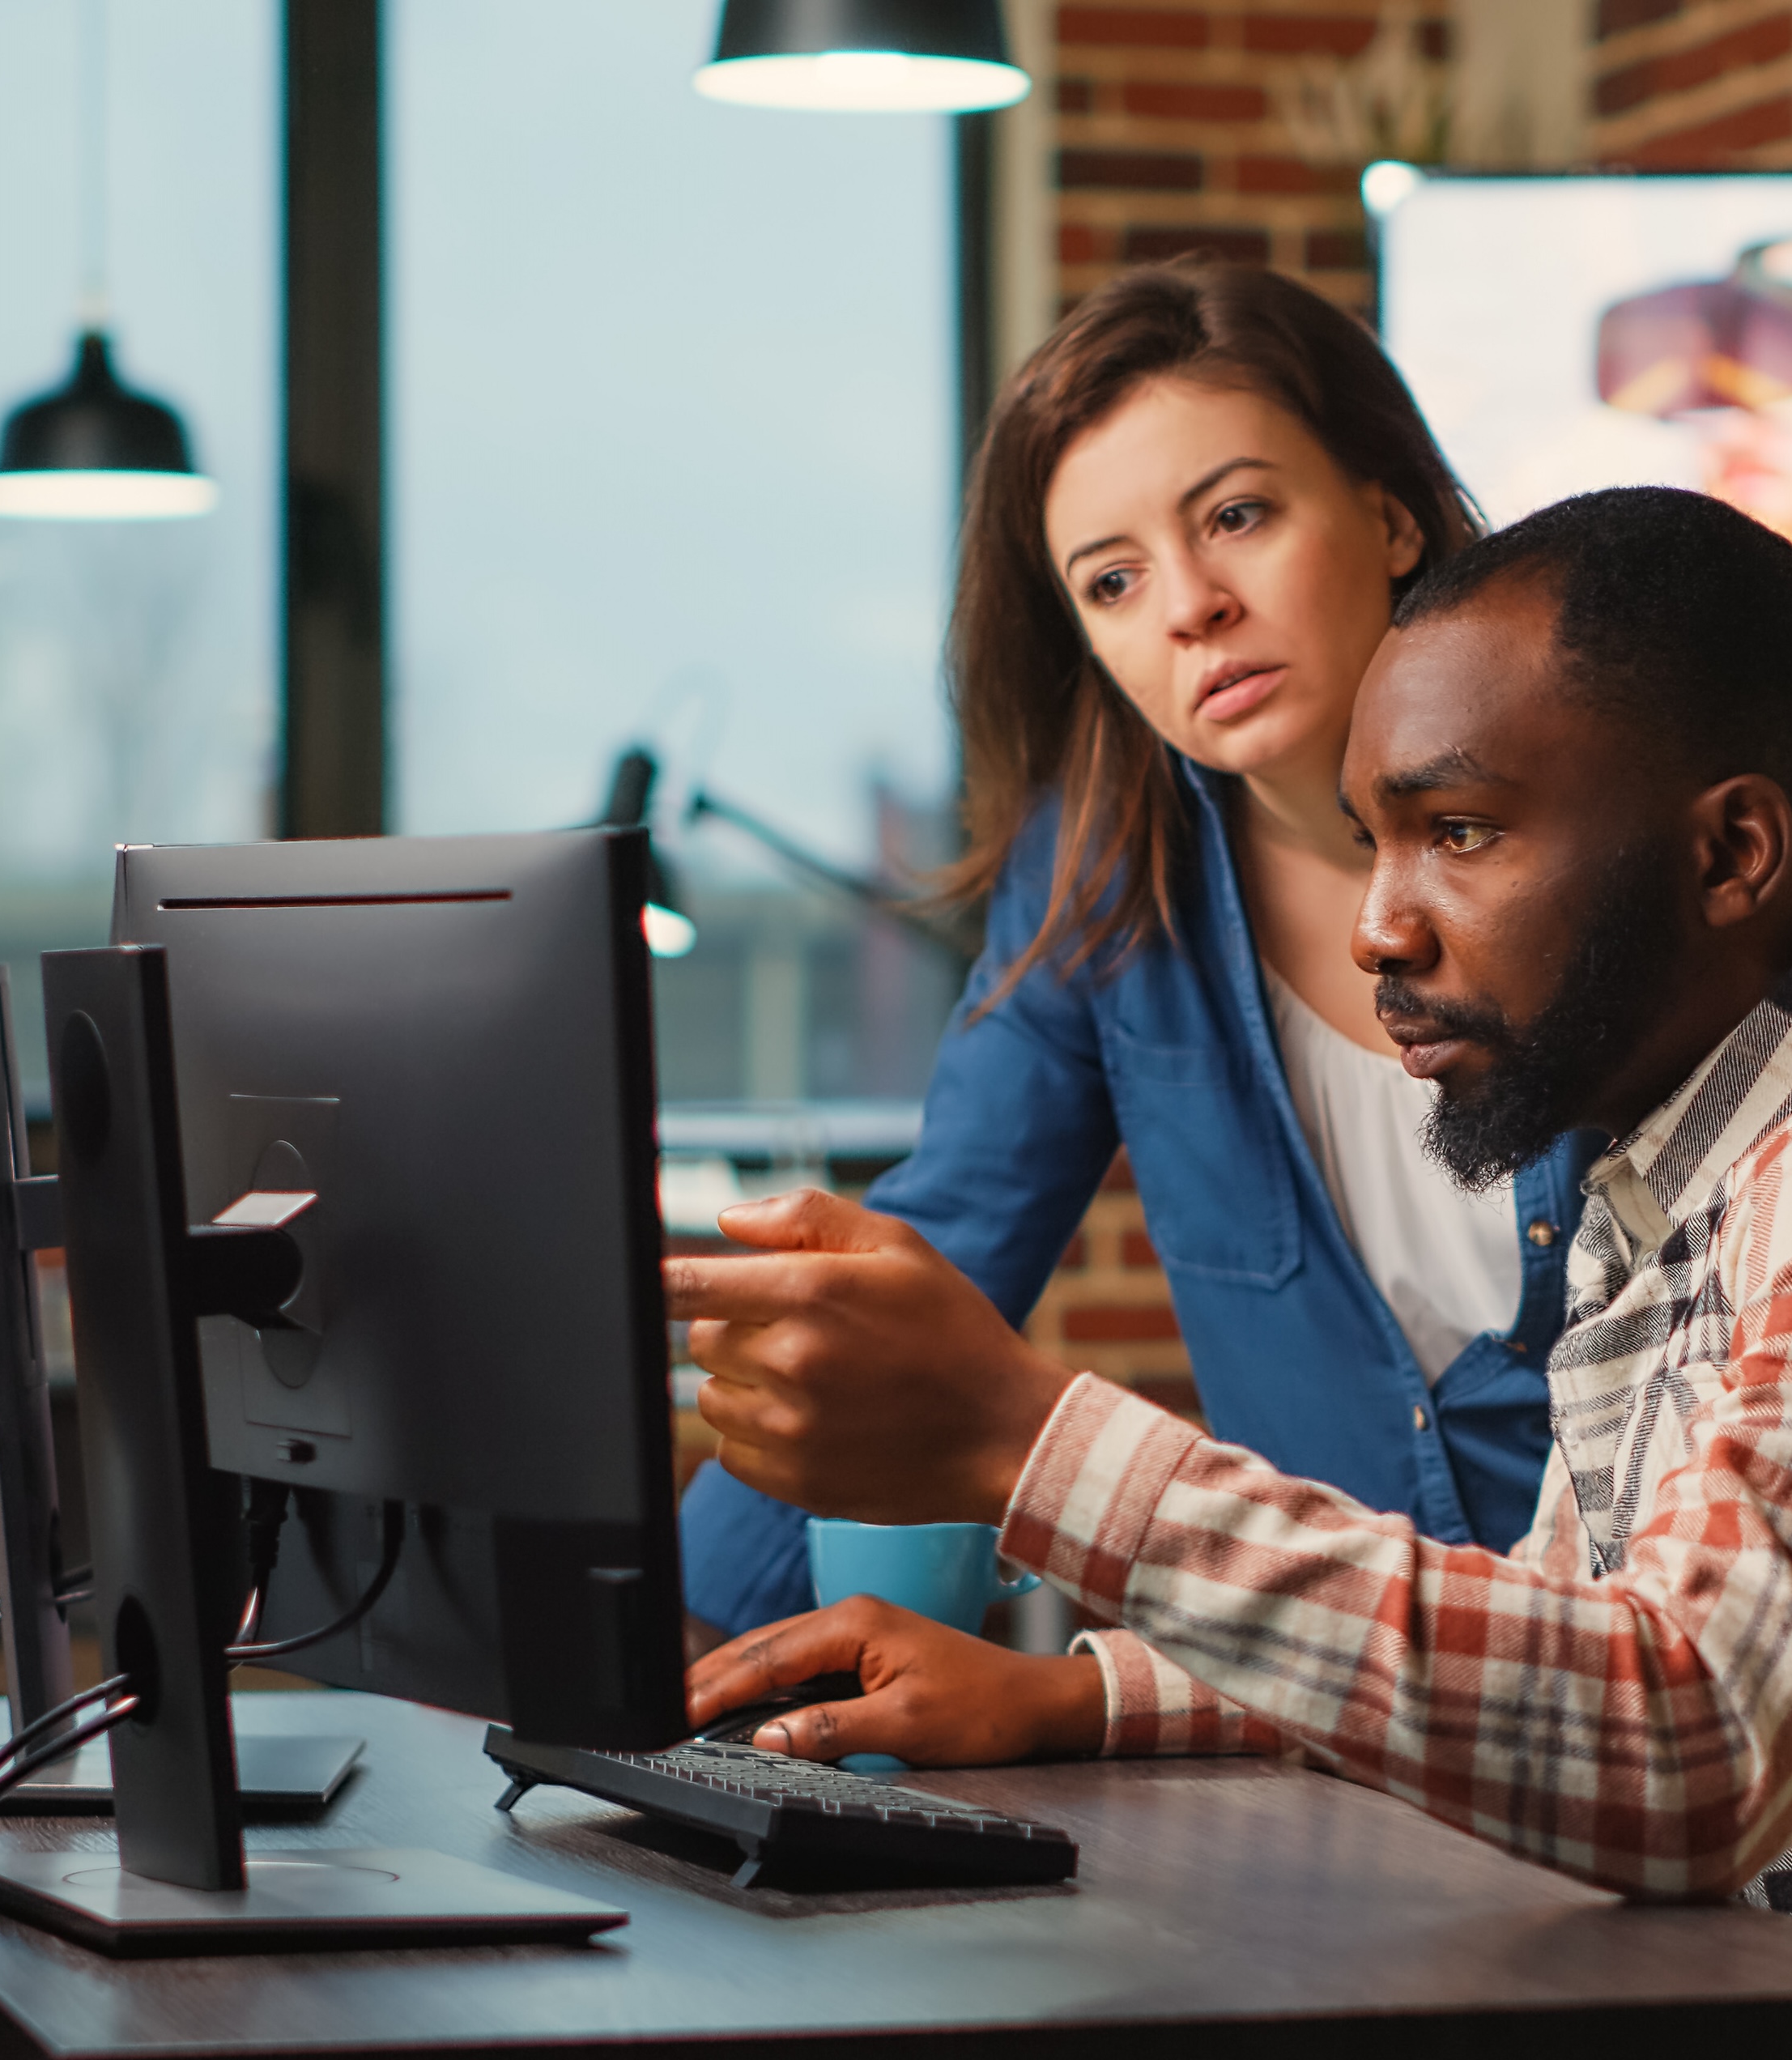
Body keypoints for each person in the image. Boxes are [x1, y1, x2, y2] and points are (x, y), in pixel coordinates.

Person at [669, 487, 1792, 2060]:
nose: (1378, 924)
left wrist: (1028, 1446)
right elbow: (1568, 1647)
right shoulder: (1674, 1162)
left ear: (1731, 849)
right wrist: (1079, 1689)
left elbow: (1694, 1741)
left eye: (1458, 833)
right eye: (1377, 838)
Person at [676, 263, 1598, 1641]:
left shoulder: (1606, 809)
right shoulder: (1106, 873)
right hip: (1341, 1746)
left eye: (1237, 515)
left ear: (1389, 516)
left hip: (1679, 1716)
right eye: (1113, 582)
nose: (1190, 607)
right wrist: (654, 1648)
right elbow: (940, 1249)